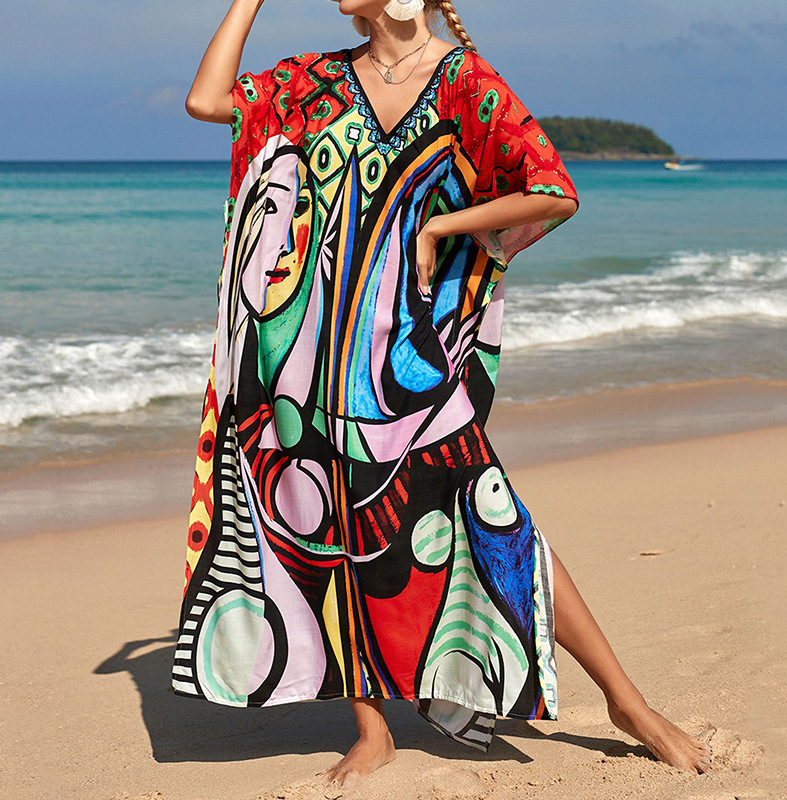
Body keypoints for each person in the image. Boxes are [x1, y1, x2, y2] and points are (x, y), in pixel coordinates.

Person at [171, 0, 713, 790]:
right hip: (308, 358)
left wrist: (441, 228)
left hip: (412, 364)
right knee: (331, 527)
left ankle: (626, 702)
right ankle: (372, 729)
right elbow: (207, 100)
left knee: (496, 516)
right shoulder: (315, 79)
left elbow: (552, 191)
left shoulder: (463, 81)